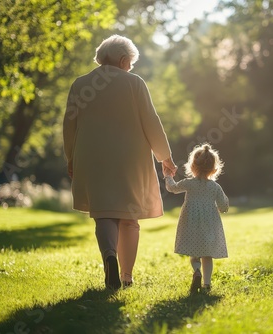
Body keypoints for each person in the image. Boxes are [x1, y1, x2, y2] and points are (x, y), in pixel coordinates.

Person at [63, 35, 177, 290]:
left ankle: (109, 256)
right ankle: (126, 276)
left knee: (104, 213)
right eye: (130, 63)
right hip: (131, 159)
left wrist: (71, 157)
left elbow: (69, 126)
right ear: (124, 60)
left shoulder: (80, 84)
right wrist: (165, 157)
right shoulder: (134, 83)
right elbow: (151, 121)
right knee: (129, 217)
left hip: (92, 157)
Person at [164, 143, 229, 293]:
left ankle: (196, 271)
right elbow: (223, 205)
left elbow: (172, 188)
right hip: (209, 223)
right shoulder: (214, 187)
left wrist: (168, 176)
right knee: (207, 254)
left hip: (191, 222)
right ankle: (206, 284)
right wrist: (223, 207)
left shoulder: (189, 183)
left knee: (194, 253)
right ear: (213, 168)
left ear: (192, 166)